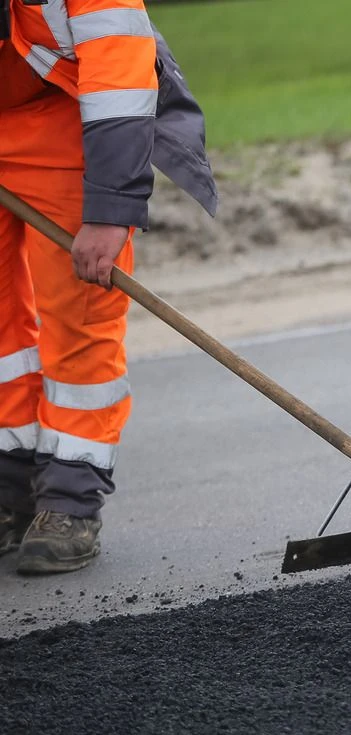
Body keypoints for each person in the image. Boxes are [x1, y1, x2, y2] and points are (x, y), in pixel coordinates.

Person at [0, 0, 215, 574]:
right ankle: (8, 485)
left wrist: (109, 209)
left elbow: (119, 76)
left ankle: (69, 499)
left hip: (63, 122)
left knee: (80, 316)